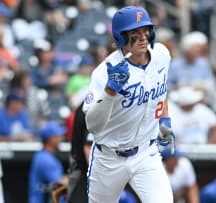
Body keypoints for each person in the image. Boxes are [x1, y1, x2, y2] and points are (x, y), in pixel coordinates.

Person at [83, 6, 174, 203]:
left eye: (145, 31)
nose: (143, 37)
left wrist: (164, 122)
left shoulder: (161, 55)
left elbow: (161, 91)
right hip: (109, 158)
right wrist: (110, 91)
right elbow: (92, 125)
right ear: (121, 37)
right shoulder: (105, 72)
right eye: (135, 33)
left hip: (145, 153)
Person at [28, 121, 68, 203]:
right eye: (58, 136)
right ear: (50, 138)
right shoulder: (45, 159)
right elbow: (61, 184)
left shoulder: (43, 156)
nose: (61, 138)